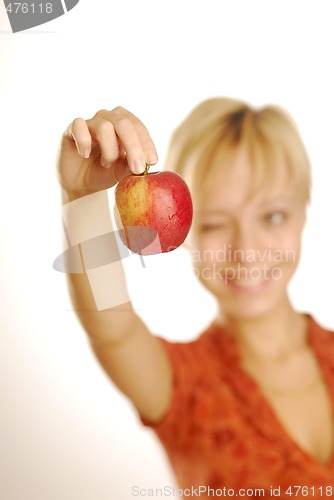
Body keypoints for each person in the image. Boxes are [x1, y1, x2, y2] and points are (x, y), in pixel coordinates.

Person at [57, 99, 334, 498]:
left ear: (304, 214)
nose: (248, 250)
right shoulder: (185, 388)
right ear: (183, 230)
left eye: (273, 216)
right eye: (216, 223)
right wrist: (81, 196)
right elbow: (112, 329)